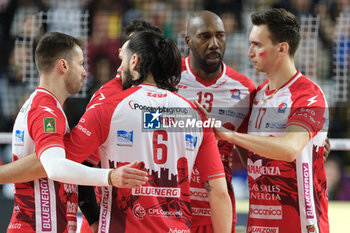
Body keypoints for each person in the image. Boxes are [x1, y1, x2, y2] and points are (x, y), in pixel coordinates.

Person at [63, 30, 232, 232]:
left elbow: (60, 161)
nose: (119, 69)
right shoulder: (195, 114)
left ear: (134, 61)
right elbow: (219, 193)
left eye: (122, 60)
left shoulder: (108, 108)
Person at [197, 8, 329, 233]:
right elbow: (252, 156)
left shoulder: (308, 95)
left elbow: (289, 149)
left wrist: (231, 135)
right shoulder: (256, 96)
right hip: (259, 223)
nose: (249, 52)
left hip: (300, 224)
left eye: (257, 45)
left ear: (282, 49)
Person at [4, 32, 148, 233]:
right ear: (63, 66)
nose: (84, 72)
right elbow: (55, 167)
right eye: (80, 64)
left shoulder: (42, 106)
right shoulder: (46, 111)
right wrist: (110, 176)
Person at [177, 10, 256, 233]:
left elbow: (252, 152)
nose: (214, 44)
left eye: (220, 36)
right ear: (188, 41)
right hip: (171, 208)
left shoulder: (244, 89)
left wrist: (308, 151)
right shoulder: (167, 79)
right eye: (204, 36)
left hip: (217, 211)